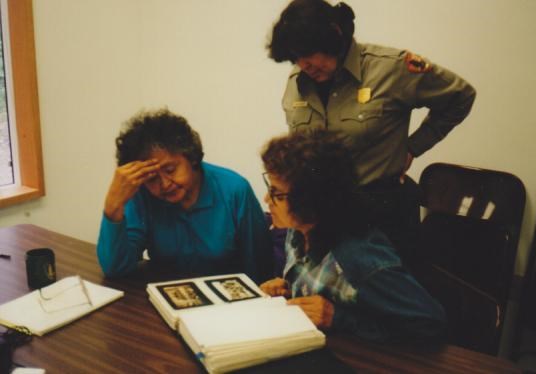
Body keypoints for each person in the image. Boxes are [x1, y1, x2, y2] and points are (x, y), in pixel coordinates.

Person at [267, 0, 476, 263]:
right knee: (323, 300)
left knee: (384, 297)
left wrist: (413, 147)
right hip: (322, 214)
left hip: (381, 211)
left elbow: (460, 96)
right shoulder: (298, 82)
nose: (304, 64)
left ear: (333, 37)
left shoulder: (391, 69)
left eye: (309, 54)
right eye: (296, 58)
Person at [259, 130, 446, 343]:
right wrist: (289, 289)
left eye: (277, 194)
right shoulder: (298, 231)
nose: (266, 199)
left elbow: (431, 323)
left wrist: (339, 318)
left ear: (312, 201)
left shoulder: (359, 259)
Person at [97, 109, 272, 283]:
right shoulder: (142, 194)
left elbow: (260, 269)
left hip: (230, 300)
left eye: (170, 170)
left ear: (192, 157)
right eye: (152, 179)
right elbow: (116, 269)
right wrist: (113, 206)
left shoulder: (234, 190)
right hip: (168, 298)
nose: (164, 184)